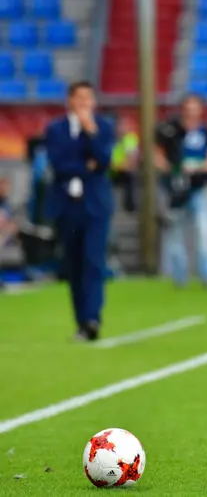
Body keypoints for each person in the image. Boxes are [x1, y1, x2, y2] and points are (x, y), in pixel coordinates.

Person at [45, 81, 115, 341]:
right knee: (73, 265)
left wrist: (92, 133)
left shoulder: (104, 127)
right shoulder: (55, 129)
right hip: (66, 206)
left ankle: (92, 319)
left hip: (95, 205)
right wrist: (87, 166)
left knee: (93, 262)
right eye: (80, 97)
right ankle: (80, 320)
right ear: (70, 101)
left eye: (89, 98)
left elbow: (105, 161)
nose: (85, 103)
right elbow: (59, 164)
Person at [155, 94, 207, 287]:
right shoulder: (171, 131)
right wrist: (171, 169)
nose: (191, 111)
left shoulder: (206, 131)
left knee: (204, 232)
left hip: (198, 188)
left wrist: (203, 168)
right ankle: (179, 277)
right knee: (174, 233)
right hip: (175, 189)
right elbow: (156, 153)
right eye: (188, 107)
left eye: (195, 107)